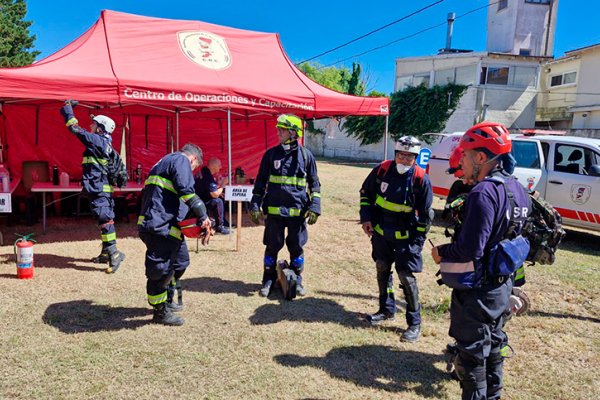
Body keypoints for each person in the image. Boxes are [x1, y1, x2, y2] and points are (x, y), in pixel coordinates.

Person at [431, 122, 532, 399]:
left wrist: (442, 252)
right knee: (495, 347)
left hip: (478, 294)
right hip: (502, 288)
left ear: (481, 157)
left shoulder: (483, 193)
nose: (460, 159)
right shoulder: (519, 190)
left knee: (473, 358)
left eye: (464, 154)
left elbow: (470, 249)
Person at [359, 136, 433, 343]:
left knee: (406, 278)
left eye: (410, 156)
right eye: (401, 155)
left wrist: (417, 245)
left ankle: (414, 323)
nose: (404, 159)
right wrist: (366, 218)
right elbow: (366, 193)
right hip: (381, 235)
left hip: (406, 240)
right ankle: (386, 309)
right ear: (395, 155)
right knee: (382, 268)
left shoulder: (420, 179)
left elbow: (426, 217)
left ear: (415, 158)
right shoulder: (382, 170)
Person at [137, 143, 211, 326]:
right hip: (160, 226)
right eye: (194, 168)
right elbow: (186, 191)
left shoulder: (164, 162)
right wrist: (203, 216)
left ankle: (167, 299)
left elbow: (174, 197)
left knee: (180, 263)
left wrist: (194, 223)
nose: (192, 172)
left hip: (168, 226)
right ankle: (160, 312)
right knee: (160, 271)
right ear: (193, 159)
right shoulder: (180, 160)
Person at [250, 114, 321, 298]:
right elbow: (260, 182)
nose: (277, 132)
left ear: (293, 132)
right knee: (272, 246)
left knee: (296, 247)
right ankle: (268, 279)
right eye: (278, 129)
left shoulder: (306, 156)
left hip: (297, 213)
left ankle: (297, 280)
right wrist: (255, 204)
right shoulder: (270, 155)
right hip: (274, 212)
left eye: (281, 129)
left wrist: (315, 206)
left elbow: (315, 185)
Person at [60, 100, 125, 274]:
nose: (90, 125)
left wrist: (67, 110)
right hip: (99, 189)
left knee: (105, 220)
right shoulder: (103, 143)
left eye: (94, 124)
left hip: (99, 189)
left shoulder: (98, 141)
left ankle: (114, 252)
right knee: (102, 219)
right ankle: (106, 253)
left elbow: (75, 129)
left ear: (101, 128)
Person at [194, 157, 230, 234]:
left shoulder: (205, 172)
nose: (221, 167)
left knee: (220, 197)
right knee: (218, 201)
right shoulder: (207, 175)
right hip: (198, 201)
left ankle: (223, 222)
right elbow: (214, 194)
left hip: (199, 198)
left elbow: (209, 190)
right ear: (213, 166)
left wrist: (219, 191)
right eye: (219, 165)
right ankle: (219, 227)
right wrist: (223, 184)